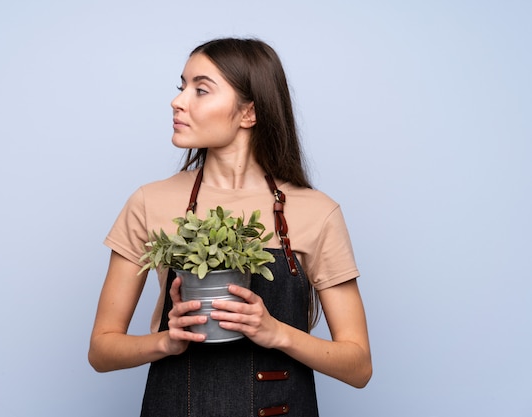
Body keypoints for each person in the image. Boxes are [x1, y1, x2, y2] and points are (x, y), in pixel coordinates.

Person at [89, 37, 372, 416]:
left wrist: (276, 333)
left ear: (248, 113)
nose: (178, 101)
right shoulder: (149, 202)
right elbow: (101, 351)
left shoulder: (315, 212)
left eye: (201, 90)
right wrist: (166, 342)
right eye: (182, 87)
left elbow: (359, 366)